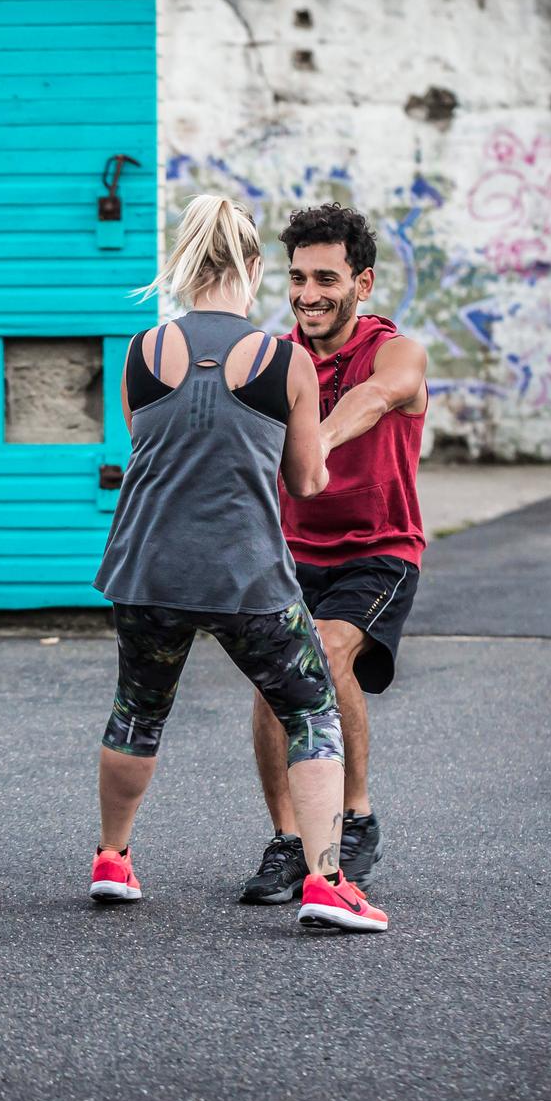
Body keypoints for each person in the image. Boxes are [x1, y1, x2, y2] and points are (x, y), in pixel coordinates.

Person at [88, 193, 386, 932]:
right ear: (254, 269)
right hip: (245, 574)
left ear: (186, 267)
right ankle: (325, 881)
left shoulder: (141, 352)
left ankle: (112, 861)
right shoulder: (284, 361)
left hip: (146, 567)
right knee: (311, 710)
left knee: (138, 712)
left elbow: (146, 446)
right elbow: (307, 479)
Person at [241, 203, 426, 905]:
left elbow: (381, 396)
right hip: (287, 548)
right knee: (269, 678)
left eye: (326, 277)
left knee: (318, 650)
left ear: (363, 282)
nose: (308, 293)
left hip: (378, 549)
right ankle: (290, 840)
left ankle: (356, 819)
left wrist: (315, 438)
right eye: (296, 278)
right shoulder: (273, 357)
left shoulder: (394, 350)